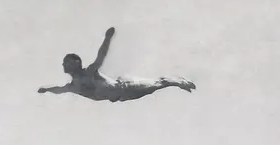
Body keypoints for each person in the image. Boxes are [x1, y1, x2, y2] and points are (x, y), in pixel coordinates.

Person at [38, 28, 196, 103]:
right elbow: (58, 90)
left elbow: (101, 56)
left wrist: (107, 38)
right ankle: (174, 82)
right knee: (154, 89)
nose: (64, 65)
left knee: (158, 84)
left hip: (126, 86)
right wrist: (46, 90)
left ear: (76, 63)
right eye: (63, 63)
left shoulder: (89, 72)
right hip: (122, 97)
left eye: (66, 62)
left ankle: (178, 81)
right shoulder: (73, 86)